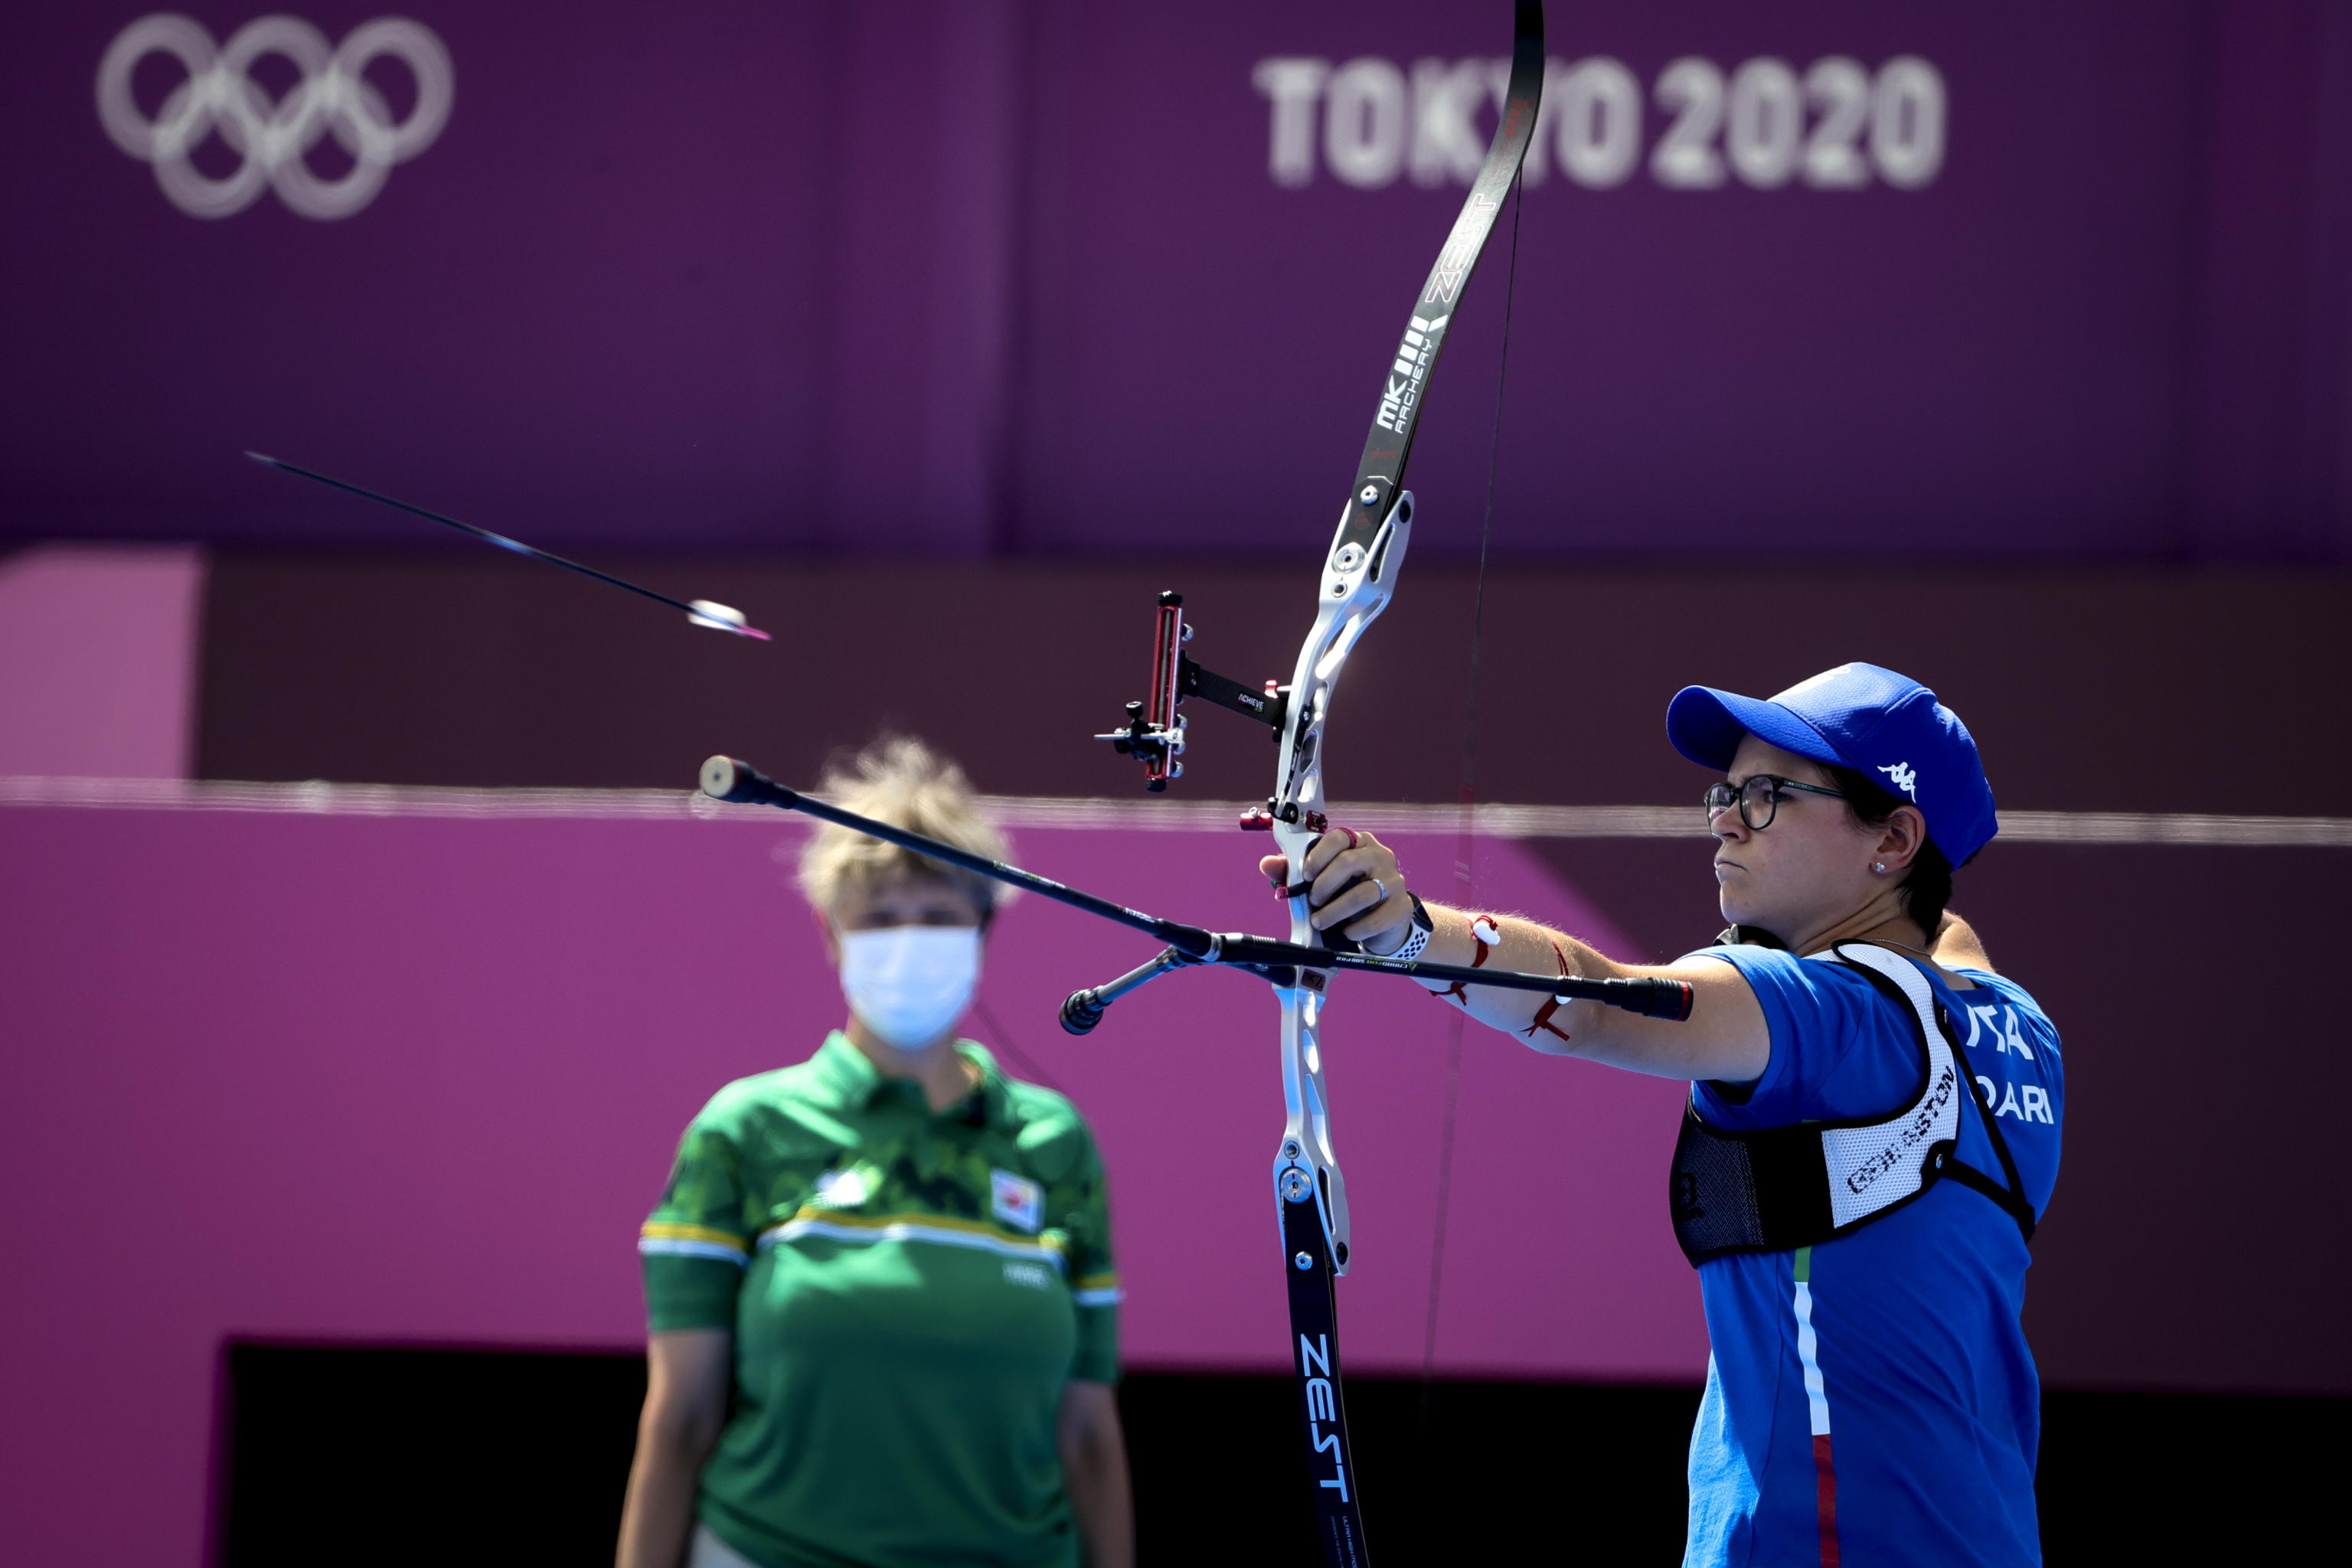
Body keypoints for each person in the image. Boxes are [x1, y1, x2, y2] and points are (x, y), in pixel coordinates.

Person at [1270, 663, 2062, 1566]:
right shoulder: (2018, 1026)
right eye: (1726, 790)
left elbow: (1599, 1002)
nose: (1727, 815)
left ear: (1893, 837)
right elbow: (1941, 926)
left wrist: (1404, 929)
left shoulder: (1825, 1013)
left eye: (1769, 794)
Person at [617, 737, 1132, 1568]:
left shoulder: (1055, 1143)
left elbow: (1089, 1437)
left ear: (984, 926)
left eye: (936, 917)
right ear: (830, 930)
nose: (909, 941)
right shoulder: (744, 1128)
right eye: (881, 918)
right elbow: (678, 1421)